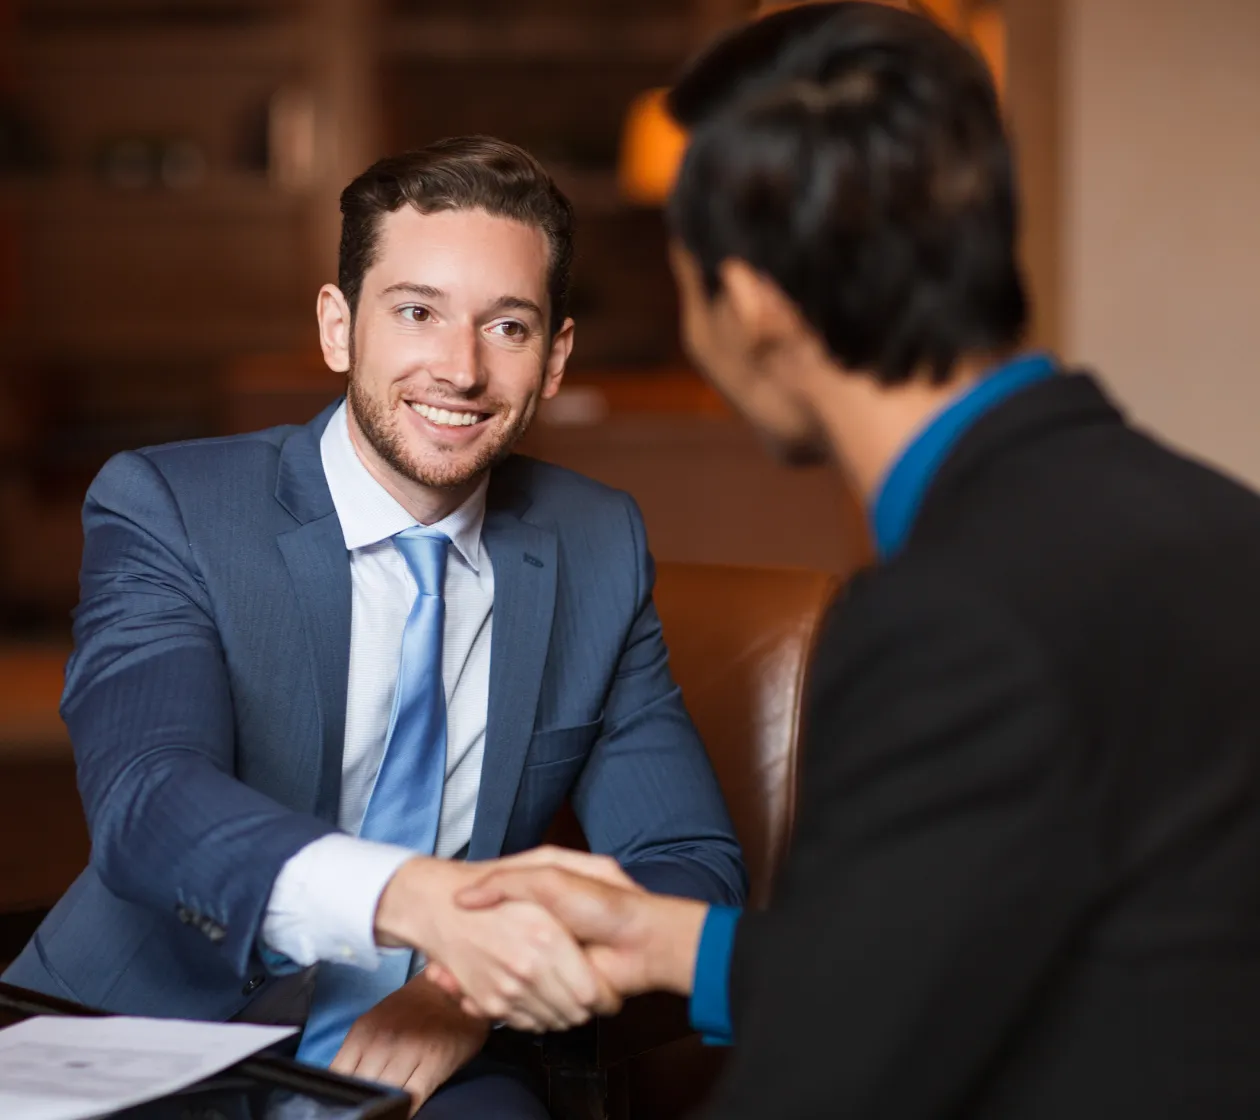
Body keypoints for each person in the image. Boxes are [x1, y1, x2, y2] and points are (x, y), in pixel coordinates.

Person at [430, 5, 1260, 1117]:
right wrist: (680, 942)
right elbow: (1006, 956)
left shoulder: (948, 615)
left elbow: (834, 1081)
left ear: (756, 302)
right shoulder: (1218, 521)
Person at [1, 136, 745, 1118]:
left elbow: (689, 862)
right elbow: (148, 803)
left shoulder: (598, 544)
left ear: (556, 357)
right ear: (339, 327)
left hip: (439, 1052)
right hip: (147, 1036)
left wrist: (462, 989)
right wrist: (420, 899)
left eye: (508, 326)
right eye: (417, 312)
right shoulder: (170, 506)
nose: (462, 368)